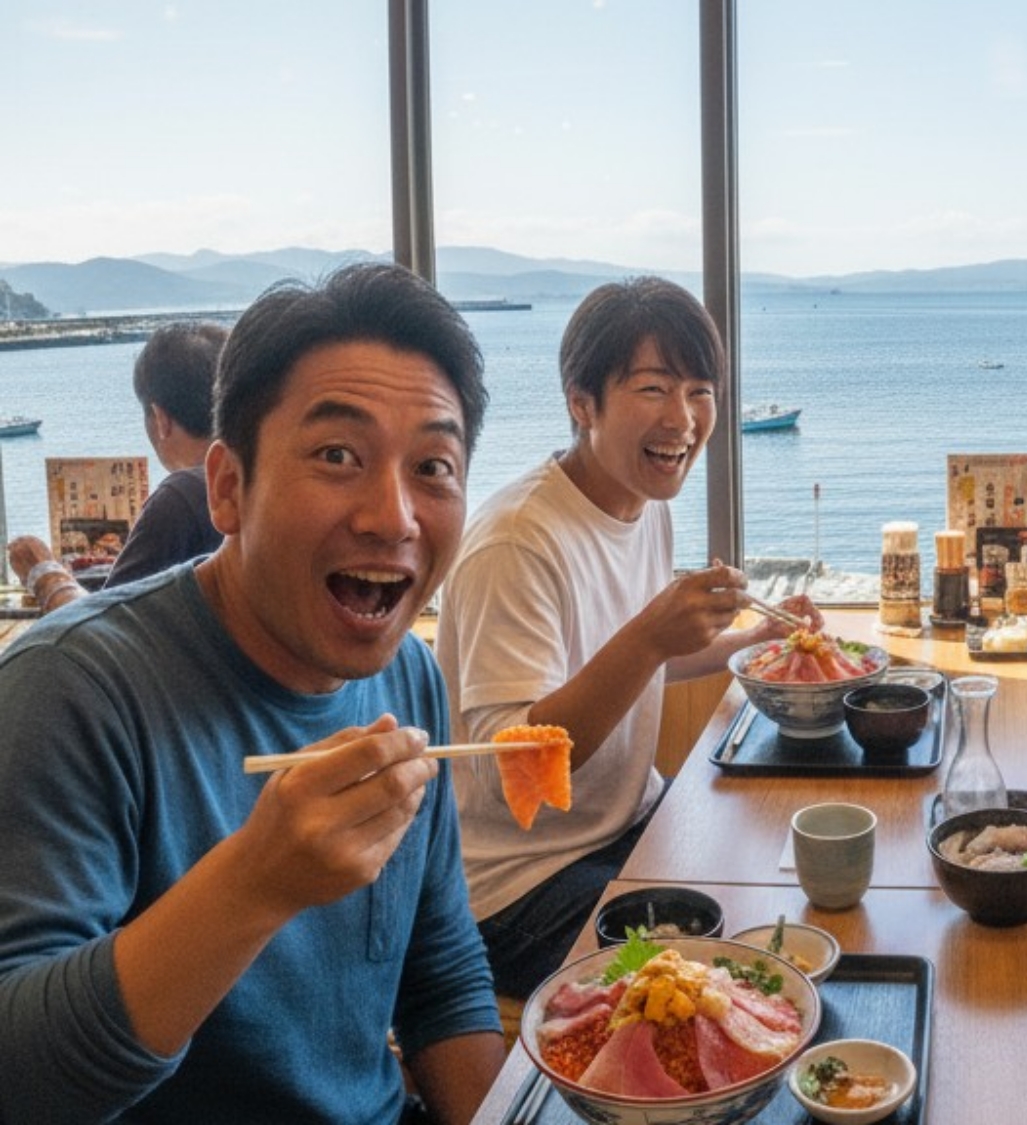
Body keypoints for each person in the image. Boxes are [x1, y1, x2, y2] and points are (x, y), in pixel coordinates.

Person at [0, 263, 505, 1123]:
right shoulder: (72, 691)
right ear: (228, 487)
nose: (393, 516)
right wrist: (254, 883)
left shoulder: (406, 675)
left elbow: (441, 972)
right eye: (337, 455)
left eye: (433, 465)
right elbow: (20, 1081)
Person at [437, 276, 819, 998]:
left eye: (701, 391)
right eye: (653, 388)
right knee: (733, 977)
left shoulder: (644, 503)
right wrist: (648, 637)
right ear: (582, 403)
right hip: (518, 887)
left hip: (626, 823)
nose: (684, 418)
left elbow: (637, 666)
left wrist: (751, 641)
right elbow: (516, 772)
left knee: (784, 891)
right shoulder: (517, 541)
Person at [7, 321, 228, 612]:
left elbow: (99, 630)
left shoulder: (184, 497)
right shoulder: (254, 480)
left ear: (160, 419)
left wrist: (44, 573)